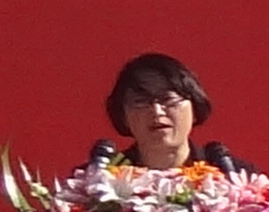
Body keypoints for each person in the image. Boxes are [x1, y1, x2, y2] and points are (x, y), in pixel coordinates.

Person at [87, 52, 241, 175]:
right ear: (124, 115)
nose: (156, 111)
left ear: (194, 107)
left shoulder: (231, 175)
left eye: (168, 99)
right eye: (141, 101)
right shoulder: (99, 179)